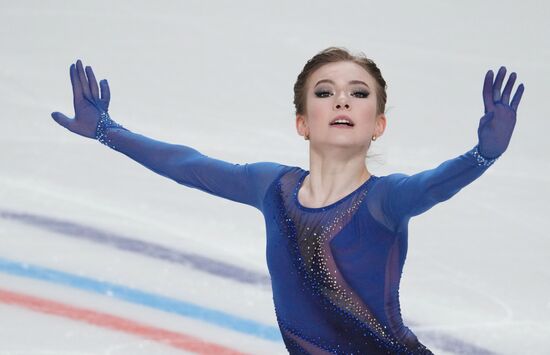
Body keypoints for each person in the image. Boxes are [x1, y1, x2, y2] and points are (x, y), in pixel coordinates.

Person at [51, 47, 524, 354]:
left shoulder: (385, 199)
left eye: (358, 94)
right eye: (326, 92)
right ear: (303, 122)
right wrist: (107, 132)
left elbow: (434, 184)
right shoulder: (272, 187)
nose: (342, 101)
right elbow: (187, 165)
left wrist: (482, 155)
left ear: (378, 124)